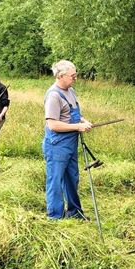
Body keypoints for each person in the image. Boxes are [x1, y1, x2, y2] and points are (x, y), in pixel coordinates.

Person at [42, 60, 92, 220]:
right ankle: (55, 216)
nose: (75, 78)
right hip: (56, 145)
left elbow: (72, 114)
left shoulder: (70, 90)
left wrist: (83, 121)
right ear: (61, 76)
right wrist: (77, 127)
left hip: (70, 144)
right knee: (55, 181)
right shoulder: (53, 96)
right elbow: (53, 124)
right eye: (73, 76)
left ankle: (74, 213)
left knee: (72, 178)